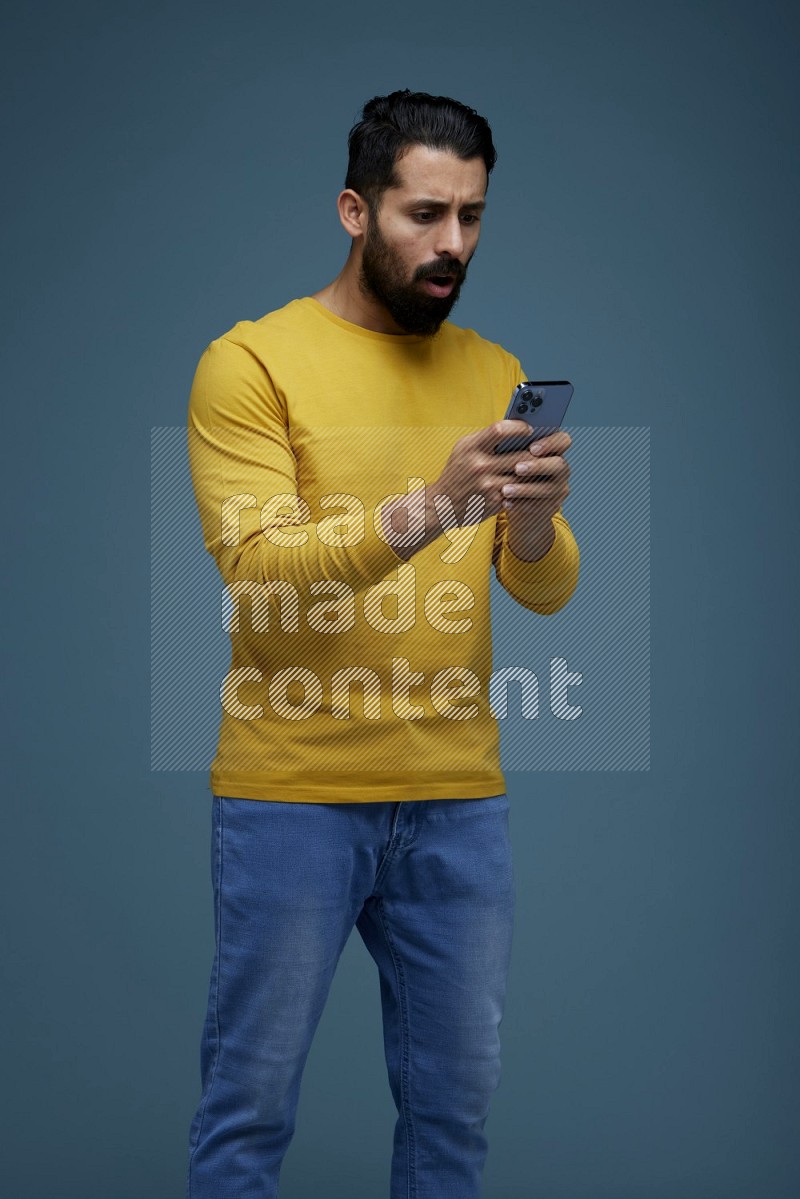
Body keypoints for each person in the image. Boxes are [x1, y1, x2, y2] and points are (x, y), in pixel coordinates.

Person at [185, 89, 580, 1198]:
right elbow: (260, 580)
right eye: (422, 214)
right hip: (291, 796)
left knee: (453, 1120)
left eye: (470, 215)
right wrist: (432, 505)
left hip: (458, 801)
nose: (451, 243)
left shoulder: (489, 363)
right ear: (355, 211)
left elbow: (543, 590)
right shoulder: (250, 363)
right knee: (248, 1114)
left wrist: (535, 519)